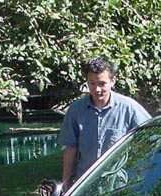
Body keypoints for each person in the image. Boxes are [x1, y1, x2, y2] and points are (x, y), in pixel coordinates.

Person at [59, 57, 151, 188]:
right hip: (85, 184)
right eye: (92, 83)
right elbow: (70, 148)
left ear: (112, 81)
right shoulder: (76, 110)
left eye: (102, 84)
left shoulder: (129, 108)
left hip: (119, 185)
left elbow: (149, 138)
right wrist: (66, 182)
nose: (97, 89)